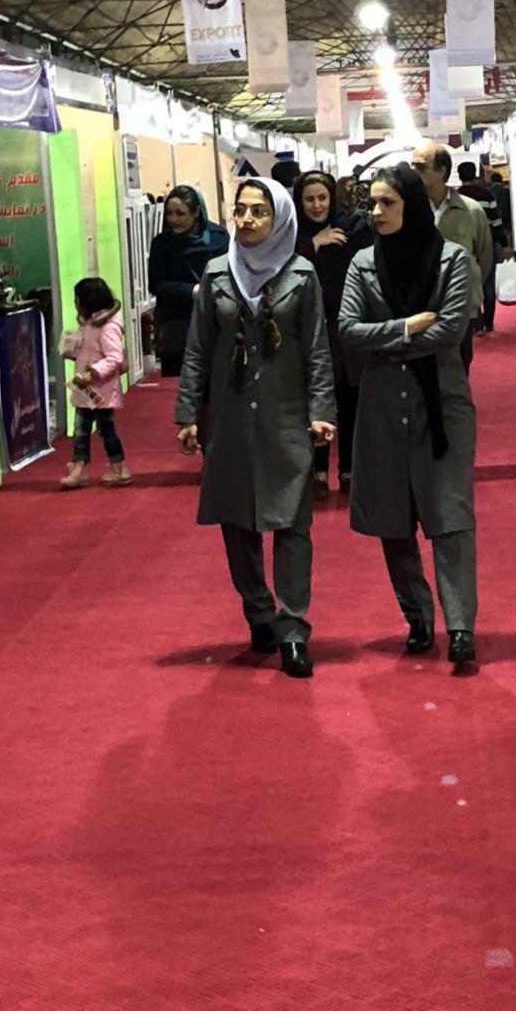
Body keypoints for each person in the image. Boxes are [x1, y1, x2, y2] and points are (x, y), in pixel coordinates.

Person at [174, 178, 336, 679]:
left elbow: (317, 348)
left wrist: (322, 409)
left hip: (286, 415)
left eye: (258, 211)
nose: (245, 220)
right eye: (240, 211)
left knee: (292, 524)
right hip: (229, 416)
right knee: (237, 521)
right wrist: (188, 414)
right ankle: (259, 611)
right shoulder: (217, 272)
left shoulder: (301, 274)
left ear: (279, 218)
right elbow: (198, 349)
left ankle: (293, 628)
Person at [339, 162, 478, 664]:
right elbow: (347, 330)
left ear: (412, 205)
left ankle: (460, 627)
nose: (376, 212)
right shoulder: (362, 264)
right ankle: (418, 618)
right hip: (381, 407)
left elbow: (451, 330)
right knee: (392, 519)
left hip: (442, 407)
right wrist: (404, 328)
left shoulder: (451, 260)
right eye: (372, 203)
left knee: (450, 517)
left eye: (388, 203)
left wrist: (385, 341)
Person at [293, 170, 373, 495]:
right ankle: (317, 468)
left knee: (350, 397)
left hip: (346, 328)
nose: (316, 205)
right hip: (308, 330)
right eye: (309, 199)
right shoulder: (290, 235)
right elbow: (282, 270)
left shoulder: (353, 229)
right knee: (314, 398)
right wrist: (313, 244)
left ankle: (349, 468)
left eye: (322, 198)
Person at [411, 143, 492, 373]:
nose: (414, 172)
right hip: (419, 307)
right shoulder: (407, 211)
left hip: (460, 307)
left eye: (421, 167)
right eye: (412, 166)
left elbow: (484, 257)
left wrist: (468, 287)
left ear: (442, 171)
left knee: (458, 368)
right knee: (423, 372)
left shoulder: (471, 211)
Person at [148, 185, 229, 377]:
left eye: (180, 213)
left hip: (214, 320)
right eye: (169, 213)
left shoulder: (218, 238)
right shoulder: (162, 244)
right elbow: (156, 284)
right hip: (177, 323)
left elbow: (229, 276)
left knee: (217, 380)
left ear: (196, 212)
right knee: (181, 385)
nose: (173, 219)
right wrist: (191, 290)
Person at [61, 277, 131, 490]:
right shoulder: (89, 324)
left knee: (106, 430)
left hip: (102, 390)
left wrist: (92, 374)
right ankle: (79, 467)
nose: (75, 303)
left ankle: (119, 467)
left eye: (78, 299)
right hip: (85, 390)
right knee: (80, 430)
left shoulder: (108, 327)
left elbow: (114, 357)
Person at [457, 160, 508, 335]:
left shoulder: (456, 197)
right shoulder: (487, 196)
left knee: (470, 283)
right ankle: (489, 323)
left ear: (459, 176)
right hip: (487, 243)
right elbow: (496, 222)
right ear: (475, 175)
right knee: (488, 282)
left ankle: (477, 324)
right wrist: (503, 244)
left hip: (465, 245)